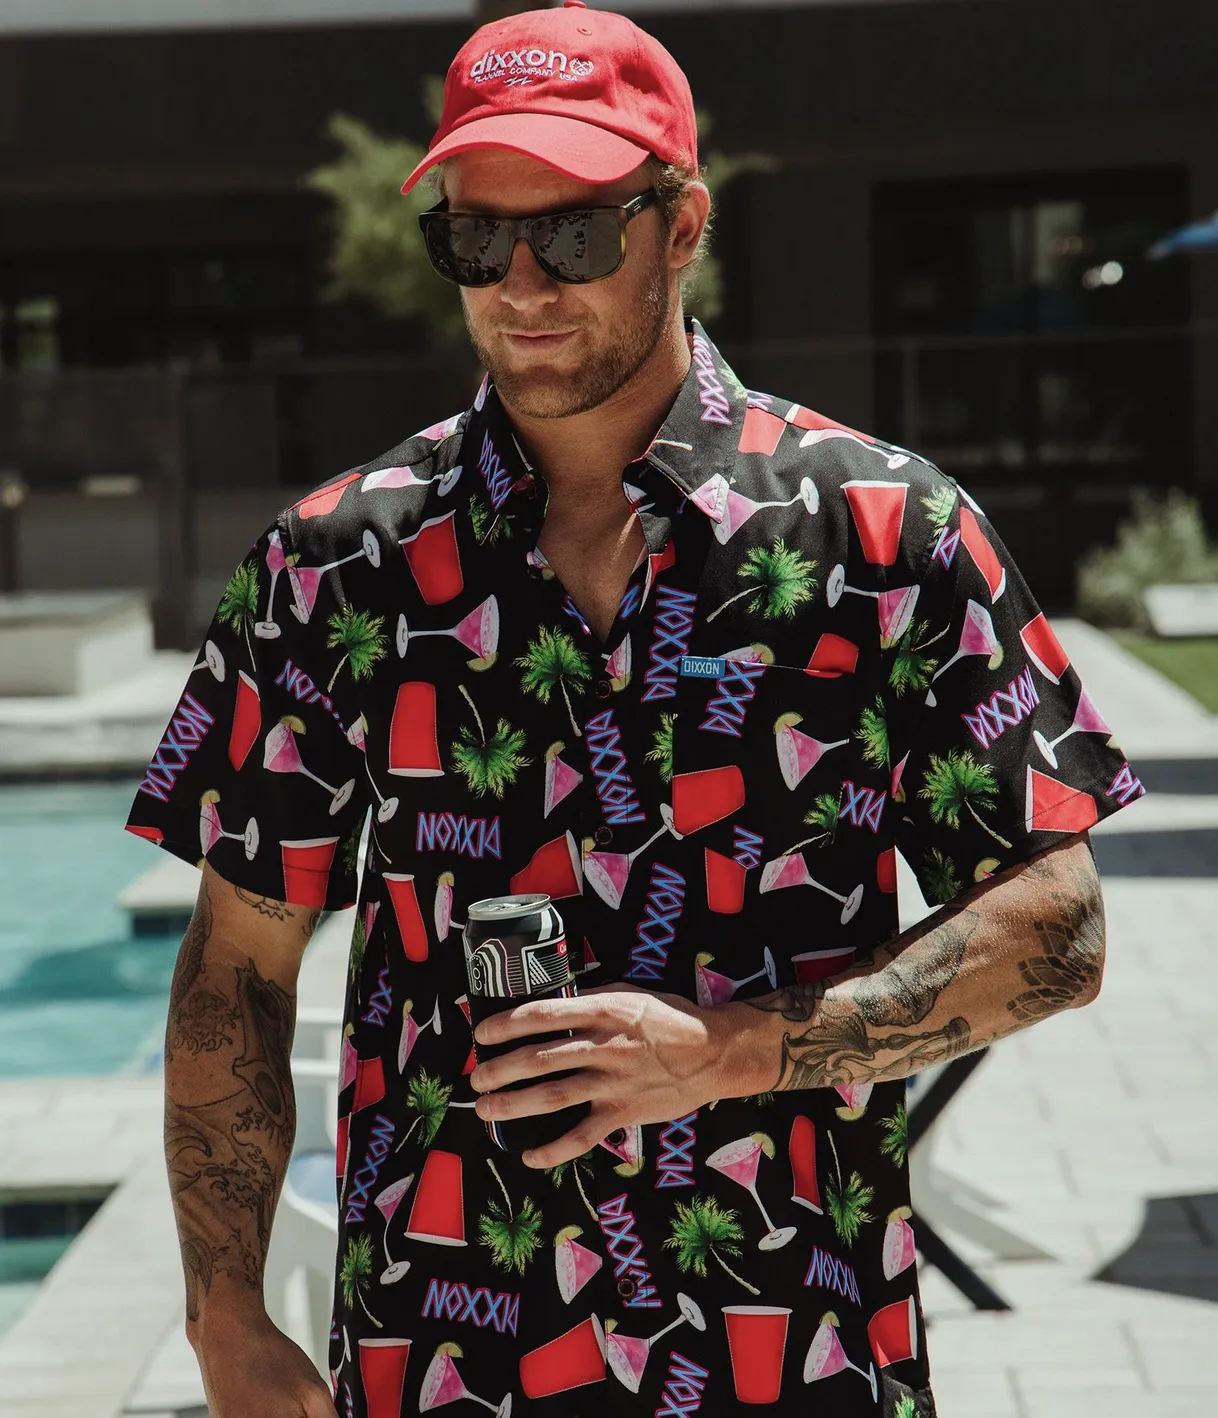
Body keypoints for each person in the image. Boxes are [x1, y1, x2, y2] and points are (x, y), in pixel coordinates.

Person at [125, 4, 1145, 1415]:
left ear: (682, 225)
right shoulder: (332, 565)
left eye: (578, 232)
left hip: (796, 1346)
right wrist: (225, 1318)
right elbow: (236, 963)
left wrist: (727, 1047)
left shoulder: (883, 531)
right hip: (445, 1353)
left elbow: (1060, 925)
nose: (524, 283)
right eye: (477, 241)